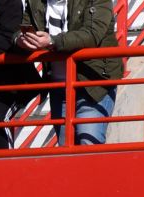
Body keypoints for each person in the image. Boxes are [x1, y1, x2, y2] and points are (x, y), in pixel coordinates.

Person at [14, 0, 116, 146]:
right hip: (59, 87)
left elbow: (92, 34)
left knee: (89, 144)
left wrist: (53, 41)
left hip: (93, 84)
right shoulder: (36, 2)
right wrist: (20, 40)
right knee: (66, 149)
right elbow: (21, 28)